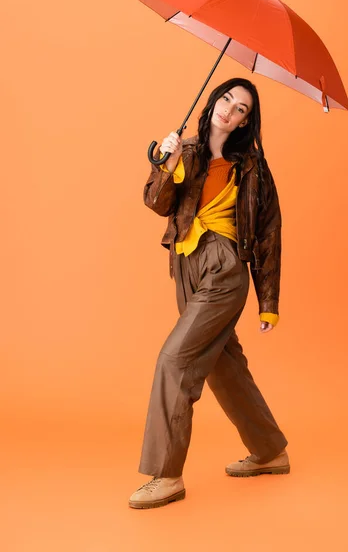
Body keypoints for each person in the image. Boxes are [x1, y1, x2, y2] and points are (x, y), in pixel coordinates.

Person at [129, 77, 290, 510]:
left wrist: (268, 303)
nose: (230, 110)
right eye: (227, 100)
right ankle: (270, 449)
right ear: (214, 101)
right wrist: (166, 163)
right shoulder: (188, 150)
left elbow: (269, 233)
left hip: (224, 269)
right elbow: (155, 202)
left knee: (175, 360)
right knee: (223, 367)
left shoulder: (252, 166)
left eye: (241, 109)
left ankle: (166, 475)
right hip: (185, 266)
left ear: (246, 122)